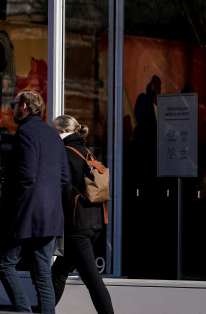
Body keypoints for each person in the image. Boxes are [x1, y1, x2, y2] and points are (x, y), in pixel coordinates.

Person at [0, 89, 70, 314]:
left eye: (14, 104)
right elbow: (64, 177)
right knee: (43, 275)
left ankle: (24, 310)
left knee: (5, 264)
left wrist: (13, 204)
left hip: (26, 213)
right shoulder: (53, 135)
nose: (12, 109)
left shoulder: (25, 132)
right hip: (50, 214)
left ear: (24, 106)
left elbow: (26, 176)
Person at [51, 115, 114, 314]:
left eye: (53, 131)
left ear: (62, 131)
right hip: (94, 221)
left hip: (77, 225)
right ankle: (42, 309)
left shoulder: (64, 153)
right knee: (58, 273)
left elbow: (63, 190)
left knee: (92, 280)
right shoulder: (86, 152)